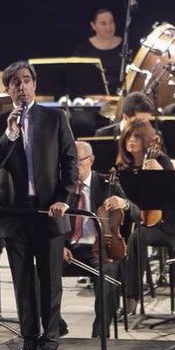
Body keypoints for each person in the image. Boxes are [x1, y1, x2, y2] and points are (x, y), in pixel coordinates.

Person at [0, 60, 77, 350]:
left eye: (26, 81)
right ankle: (28, 344)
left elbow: (70, 163)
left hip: (48, 213)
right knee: (23, 284)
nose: (21, 86)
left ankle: (50, 345)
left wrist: (64, 199)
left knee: (50, 284)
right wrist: (10, 133)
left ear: (34, 84)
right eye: (15, 82)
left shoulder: (54, 117)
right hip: (14, 214)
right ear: (7, 88)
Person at [115, 118, 175, 317]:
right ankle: (115, 294)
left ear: (146, 140)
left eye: (136, 137)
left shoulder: (160, 161)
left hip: (166, 222)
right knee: (122, 237)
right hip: (135, 218)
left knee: (137, 238)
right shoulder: (123, 167)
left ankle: (131, 298)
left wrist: (162, 175)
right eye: (128, 137)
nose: (131, 141)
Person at [63, 141, 135, 337]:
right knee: (38, 273)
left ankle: (100, 336)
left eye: (78, 162)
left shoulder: (106, 184)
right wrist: (60, 245)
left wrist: (124, 204)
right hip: (69, 249)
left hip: (100, 249)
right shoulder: (63, 185)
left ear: (91, 160)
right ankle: (53, 327)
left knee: (108, 276)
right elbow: (52, 219)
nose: (73, 167)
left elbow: (137, 213)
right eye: (70, 162)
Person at [73, 7, 123, 94]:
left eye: (111, 22)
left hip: (121, 97)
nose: (108, 27)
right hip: (92, 97)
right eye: (103, 24)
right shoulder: (83, 49)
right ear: (93, 25)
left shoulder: (125, 46)